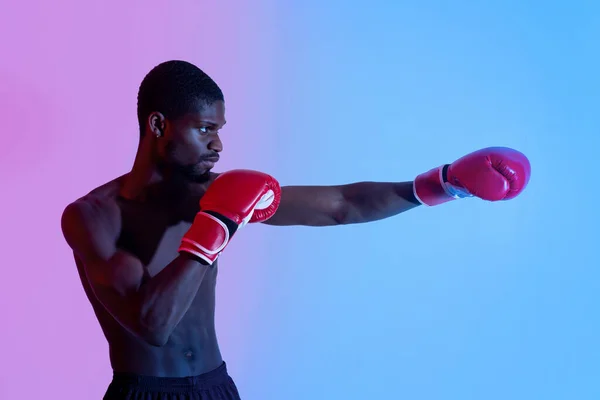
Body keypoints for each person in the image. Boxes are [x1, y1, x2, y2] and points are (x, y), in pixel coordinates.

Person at [60, 60, 531, 400]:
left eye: (220, 129)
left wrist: (442, 184)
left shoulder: (215, 192)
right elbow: (152, 324)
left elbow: (341, 205)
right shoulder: (94, 216)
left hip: (217, 387)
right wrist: (217, 223)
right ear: (159, 125)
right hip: (145, 393)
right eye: (205, 129)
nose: (219, 144)